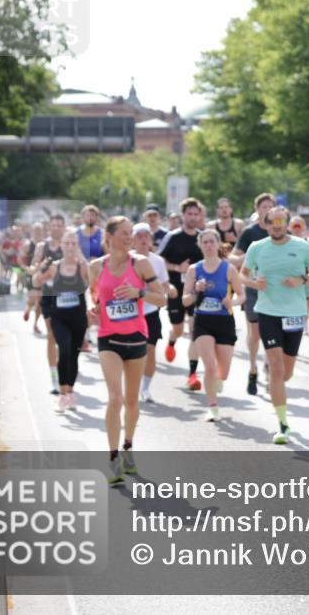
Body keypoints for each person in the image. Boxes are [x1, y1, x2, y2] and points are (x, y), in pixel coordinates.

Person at [88, 216, 166, 486]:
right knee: (115, 399)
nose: (129, 238)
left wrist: (138, 293)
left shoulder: (140, 264)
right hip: (108, 338)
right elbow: (96, 298)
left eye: (131, 233)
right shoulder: (96, 268)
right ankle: (112, 459)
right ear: (109, 236)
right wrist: (94, 310)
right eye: (124, 233)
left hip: (136, 338)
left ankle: (128, 448)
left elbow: (162, 298)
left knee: (132, 402)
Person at [241, 206, 309, 443]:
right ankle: (283, 424)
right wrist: (255, 284)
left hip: (295, 314)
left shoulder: (302, 247)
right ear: (266, 224)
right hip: (268, 312)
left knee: (285, 373)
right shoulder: (257, 248)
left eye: (281, 221)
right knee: (277, 369)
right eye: (272, 221)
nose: (276, 225)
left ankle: (274, 378)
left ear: (287, 223)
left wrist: (303, 279)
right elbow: (243, 274)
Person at [182, 229, 244, 421]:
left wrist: (231, 302)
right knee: (209, 367)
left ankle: (217, 381)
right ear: (200, 246)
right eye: (205, 242)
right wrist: (195, 292)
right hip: (203, 321)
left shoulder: (228, 269)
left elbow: (242, 296)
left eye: (211, 242)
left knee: (222, 373)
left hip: (224, 321)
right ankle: (212, 406)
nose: (208, 246)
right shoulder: (194, 269)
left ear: (218, 245)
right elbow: (185, 301)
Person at [33, 230, 90, 413]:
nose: (71, 247)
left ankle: (70, 392)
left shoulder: (82, 267)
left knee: (73, 354)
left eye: (74, 244)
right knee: (63, 349)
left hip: (78, 318)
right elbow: (36, 282)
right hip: (59, 318)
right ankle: (62, 395)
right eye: (68, 244)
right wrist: (40, 270)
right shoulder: (54, 266)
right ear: (62, 246)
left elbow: (94, 283)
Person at [157, 198, 205, 390]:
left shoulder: (203, 237)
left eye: (196, 214)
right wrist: (178, 268)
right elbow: (159, 261)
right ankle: (172, 340)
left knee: (195, 332)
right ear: (183, 215)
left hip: (196, 291)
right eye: (189, 214)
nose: (193, 217)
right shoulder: (173, 236)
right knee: (178, 329)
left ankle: (192, 375)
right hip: (176, 290)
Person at [231, 193, 275, 396]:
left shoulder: (280, 231)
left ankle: (268, 365)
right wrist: (247, 259)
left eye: (270, 206)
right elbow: (234, 256)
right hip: (253, 288)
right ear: (257, 210)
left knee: (271, 332)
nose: (267, 209)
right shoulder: (250, 232)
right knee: (255, 333)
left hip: (275, 290)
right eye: (264, 206)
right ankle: (252, 368)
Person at [132, 223, 171, 403]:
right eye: (138, 235)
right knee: (132, 352)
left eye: (146, 235)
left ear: (150, 238)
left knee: (150, 350)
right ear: (133, 239)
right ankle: (132, 384)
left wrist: (163, 293)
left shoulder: (158, 261)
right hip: (130, 312)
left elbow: (163, 285)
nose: (142, 239)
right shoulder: (127, 259)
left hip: (150, 311)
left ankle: (145, 388)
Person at [33, 215, 67, 394]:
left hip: (67, 296)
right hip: (48, 296)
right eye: (53, 226)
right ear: (49, 228)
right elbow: (33, 269)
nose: (56, 228)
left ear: (64, 227)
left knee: (65, 339)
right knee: (52, 335)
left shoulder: (70, 245)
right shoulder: (42, 246)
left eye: (59, 226)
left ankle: (63, 372)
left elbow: (81, 266)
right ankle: (55, 380)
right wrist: (41, 267)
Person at [21, 223, 45, 333]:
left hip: (41, 276)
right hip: (30, 275)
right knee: (32, 299)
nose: (38, 233)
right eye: (36, 230)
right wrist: (26, 269)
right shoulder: (27, 244)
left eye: (39, 230)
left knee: (39, 301)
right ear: (32, 231)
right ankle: (28, 309)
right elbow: (21, 259)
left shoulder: (45, 244)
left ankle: (35, 324)